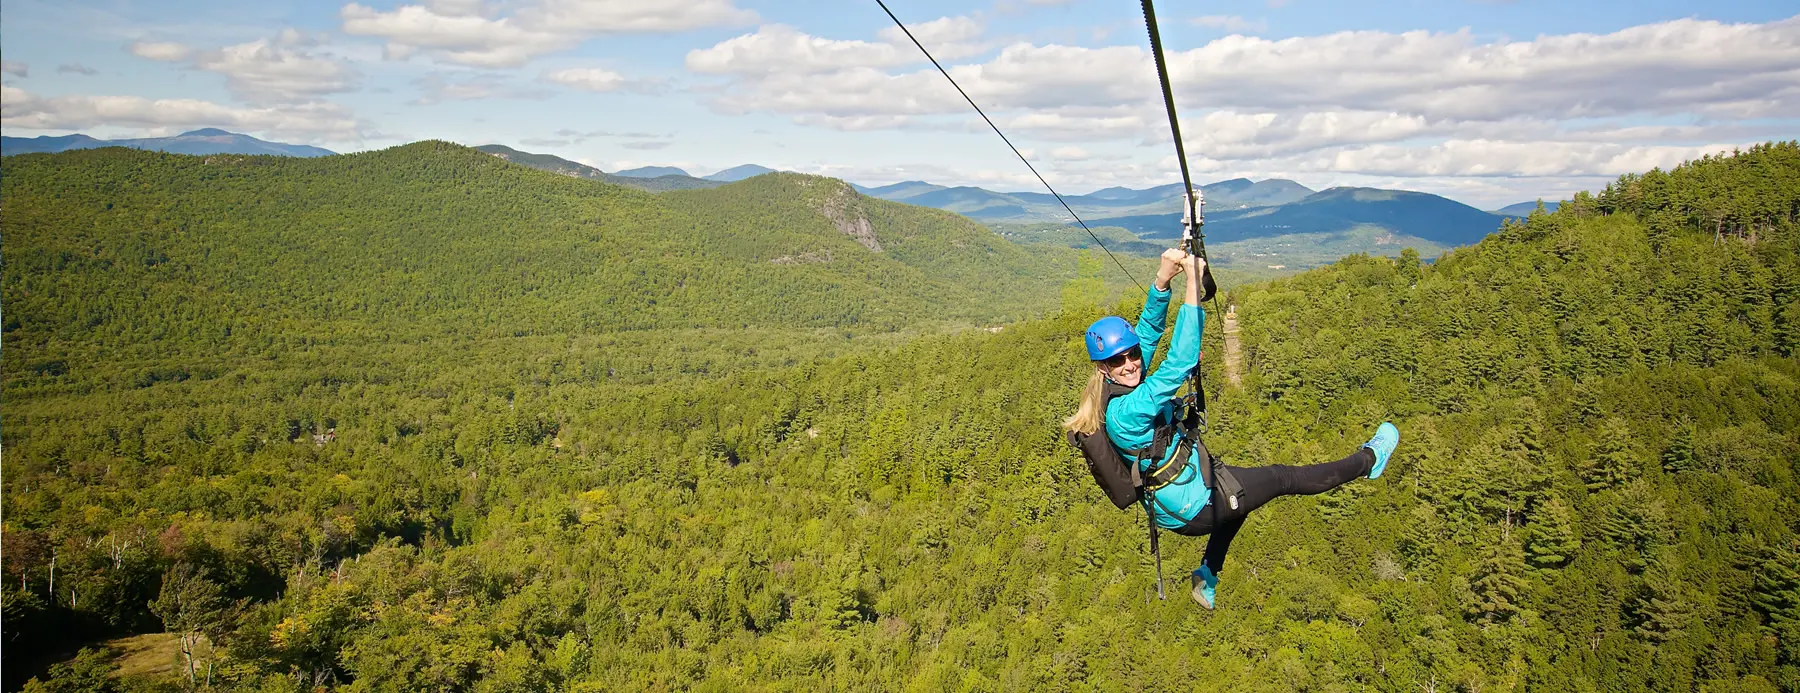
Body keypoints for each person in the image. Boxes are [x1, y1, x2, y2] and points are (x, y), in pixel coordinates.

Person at [1062, 249, 1399, 609]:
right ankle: (1369, 460)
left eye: (1132, 355)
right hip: (1193, 506)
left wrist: (1162, 281)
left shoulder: (1113, 386)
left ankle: (1208, 574)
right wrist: (1193, 284)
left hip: (1187, 490)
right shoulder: (1126, 411)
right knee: (1282, 478)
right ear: (1102, 367)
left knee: (1242, 499)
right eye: (1118, 360)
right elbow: (1179, 362)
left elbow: (1147, 332)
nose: (1131, 363)